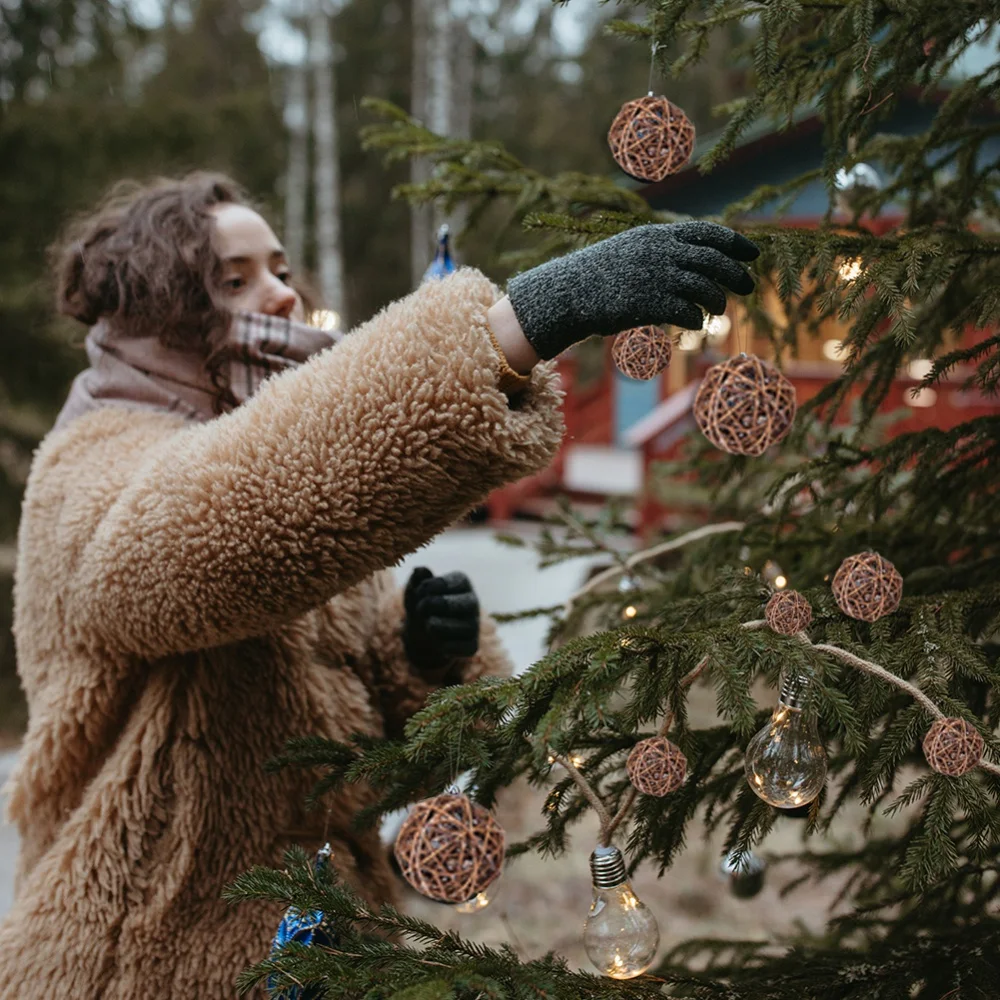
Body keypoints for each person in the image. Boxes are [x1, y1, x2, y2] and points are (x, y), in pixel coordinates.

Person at [0, 172, 758, 997]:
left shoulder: (279, 463)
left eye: (281, 270)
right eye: (235, 279)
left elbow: (394, 763)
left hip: (328, 958)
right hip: (138, 965)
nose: (281, 296)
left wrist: (427, 661)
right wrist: (510, 331)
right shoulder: (91, 462)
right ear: (153, 306)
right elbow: (205, 539)